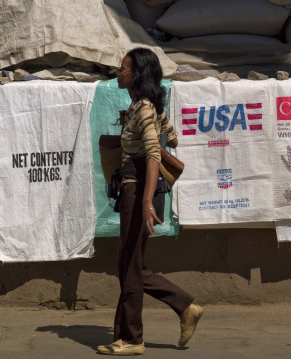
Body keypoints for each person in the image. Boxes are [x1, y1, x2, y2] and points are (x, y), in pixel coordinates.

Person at [97, 48, 203, 356]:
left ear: (137, 74)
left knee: (130, 264)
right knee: (129, 262)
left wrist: (145, 202)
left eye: (123, 68)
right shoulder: (143, 106)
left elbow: (155, 152)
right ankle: (141, 328)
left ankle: (134, 338)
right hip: (141, 186)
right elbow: (172, 137)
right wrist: (149, 128)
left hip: (139, 187)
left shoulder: (142, 107)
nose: (118, 72)